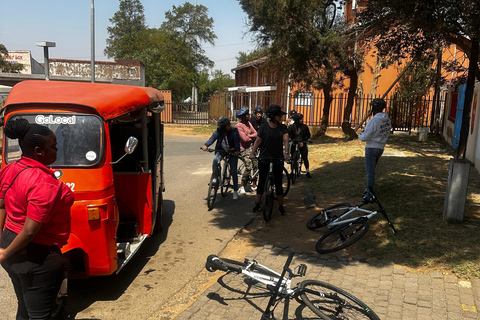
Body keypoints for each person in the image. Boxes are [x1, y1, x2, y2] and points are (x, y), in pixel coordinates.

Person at [0, 118, 74, 320]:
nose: (57, 150)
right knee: (40, 315)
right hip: (36, 256)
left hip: (11, 243)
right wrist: (5, 254)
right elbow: (30, 230)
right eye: (53, 146)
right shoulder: (43, 182)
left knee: (24, 307)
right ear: (38, 151)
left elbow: (2, 205)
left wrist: (3, 244)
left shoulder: (11, 168)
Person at [250, 104, 290, 215]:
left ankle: (281, 206)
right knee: (262, 181)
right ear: (272, 116)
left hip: (278, 159)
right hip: (264, 158)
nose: (281, 118)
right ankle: (257, 203)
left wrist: (286, 153)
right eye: (279, 116)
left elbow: (286, 140)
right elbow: (258, 141)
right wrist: (253, 153)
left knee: (278, 183)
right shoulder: (264, 127)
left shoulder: (283, 128)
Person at [358, 98, 392, 202]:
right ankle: (369, 188)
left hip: (371, 148)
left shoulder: (373, 121)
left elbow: (365, 136)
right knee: (372, 170)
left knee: (370, 172)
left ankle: (369, 193)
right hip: (380, 148)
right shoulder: (387, 120)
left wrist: (358, 136)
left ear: (374, 108)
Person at [202, 117, 241, 200]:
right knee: (216, 160)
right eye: (228, 125)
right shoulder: (219, 131)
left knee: (233, 171)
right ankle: (215, 177)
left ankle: (235, 191)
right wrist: (206, 145)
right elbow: (212, 138)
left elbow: (237, 142)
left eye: (229, 124)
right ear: (223, 127)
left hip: (232, 151)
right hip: (221, 150)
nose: (230, 125)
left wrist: (237, 150)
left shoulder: (234, 131)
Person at [235, 108, 258, 194]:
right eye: (247, 114)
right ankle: (242, 186)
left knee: (256, 165)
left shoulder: (248, 123)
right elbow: (244, 139)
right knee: (249, 165)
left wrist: (249, 135)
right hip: (242, 150)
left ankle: (254, 185)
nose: (249, 115)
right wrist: (251, 136)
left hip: (251, 148)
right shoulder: (238, 126)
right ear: (242, 117)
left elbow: (256, 133)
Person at [288, 113, 312, 178]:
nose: (301, 120)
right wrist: (290, 140)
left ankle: (307, 171)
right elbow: (288, 134)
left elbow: (308, 135)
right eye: (300, 119)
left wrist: (303, 142)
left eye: (302, 119)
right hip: (294, 142)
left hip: (302, 142)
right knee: (293, 157)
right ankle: (291, 171)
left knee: (304, 157)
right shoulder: (291, 127)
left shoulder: (305, 127)